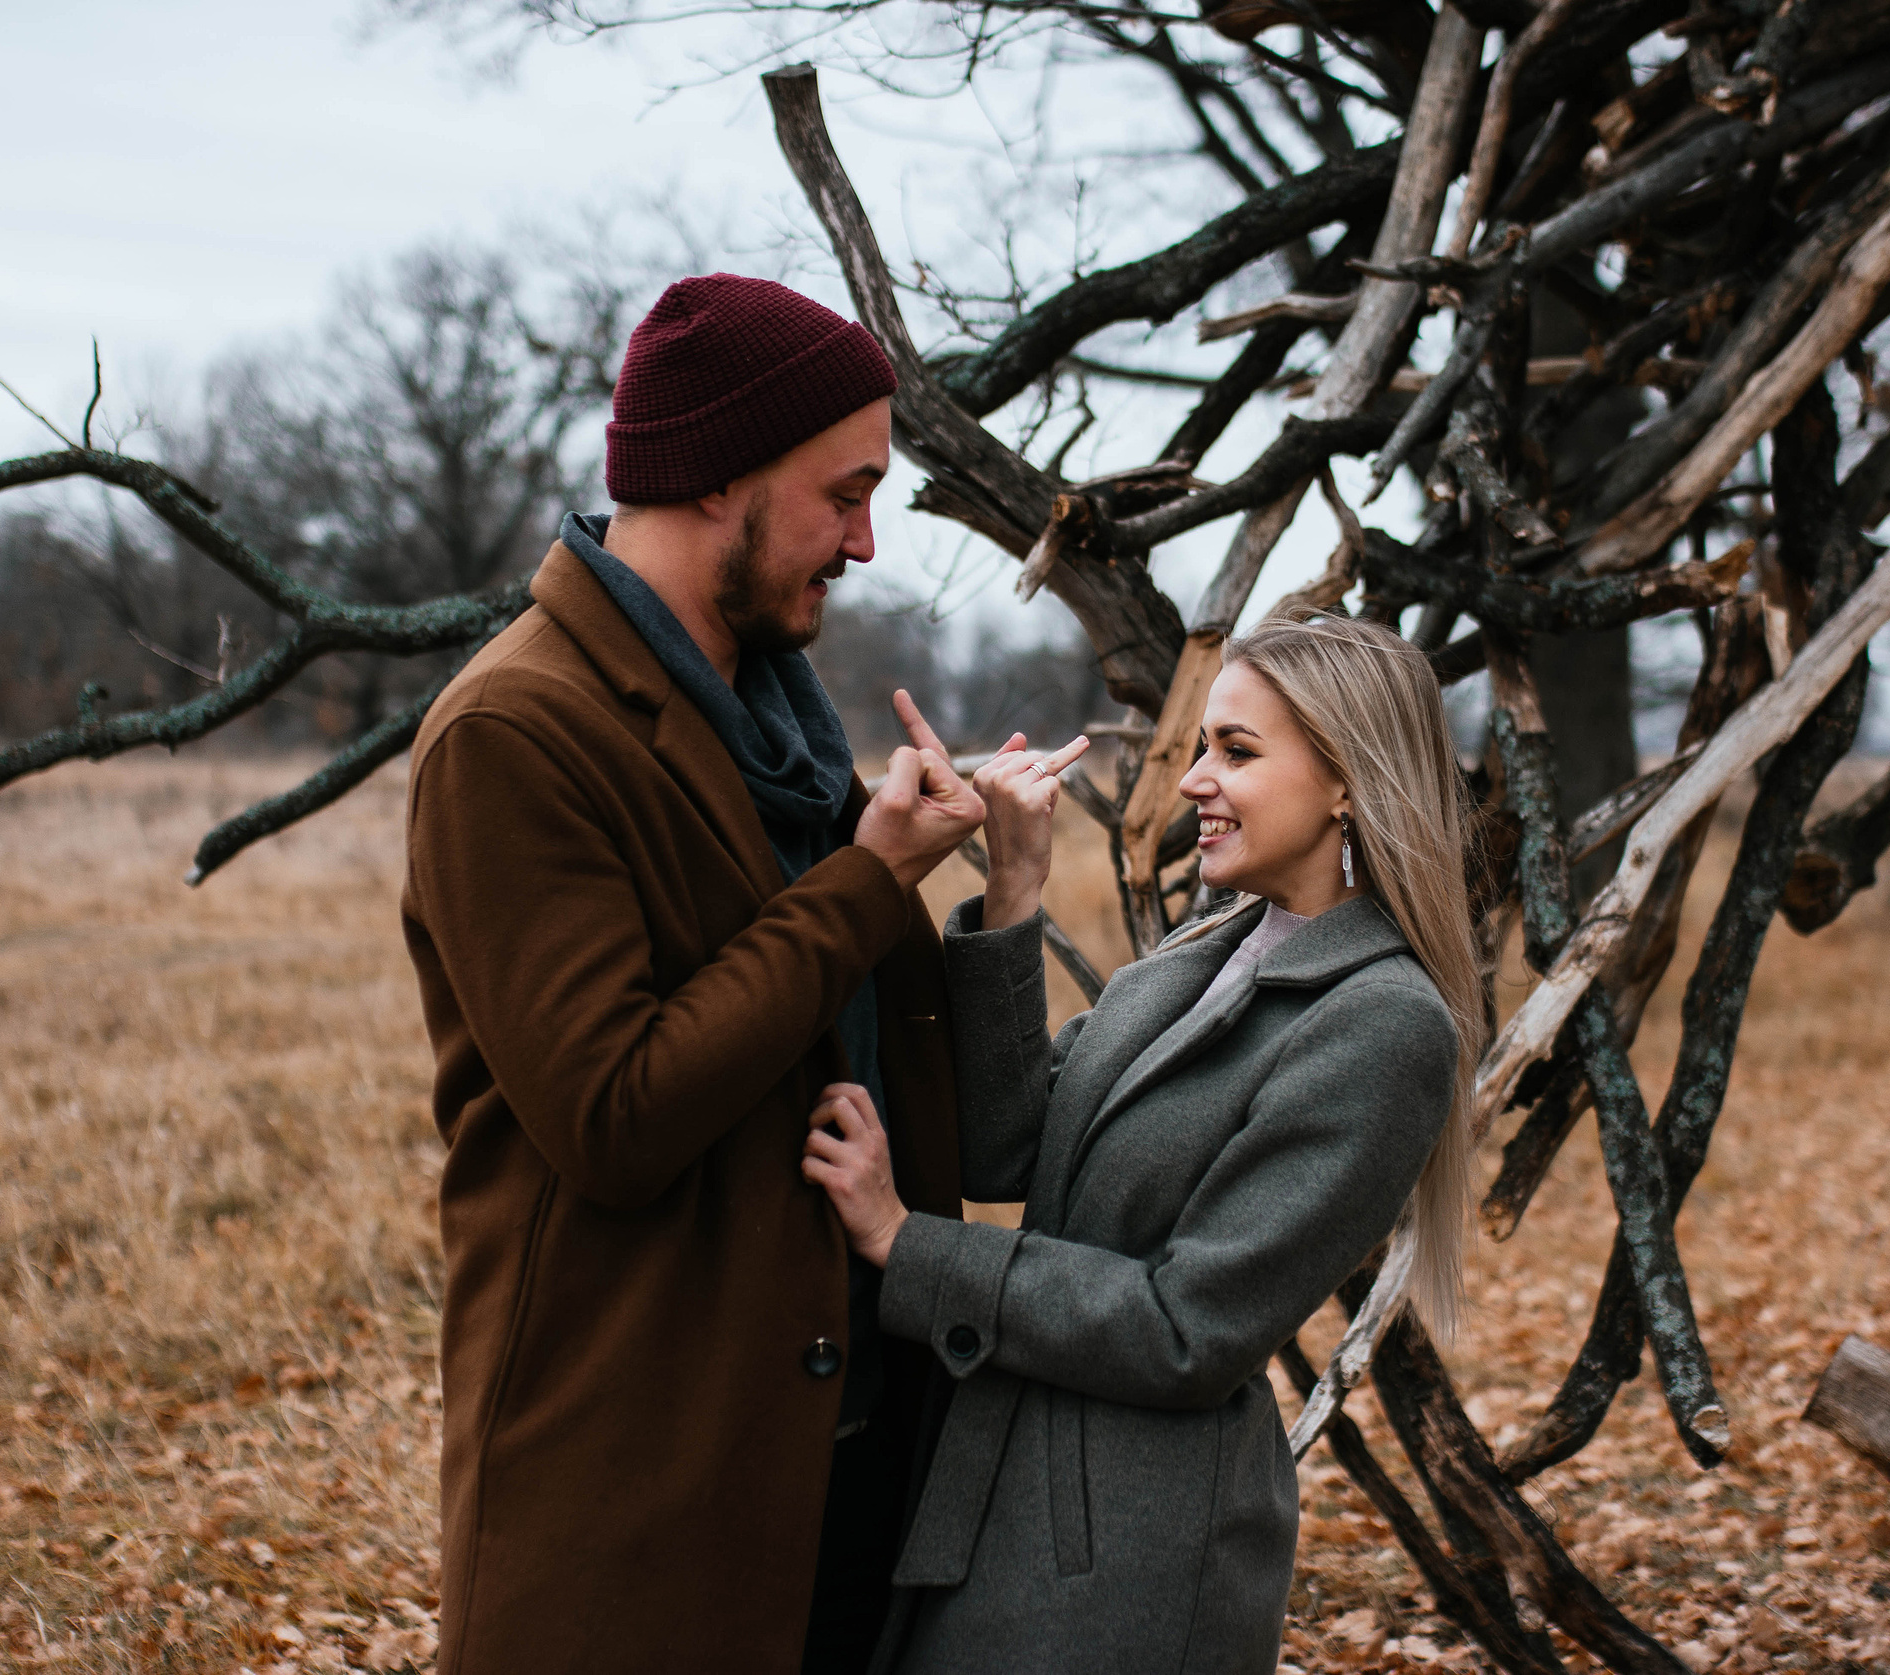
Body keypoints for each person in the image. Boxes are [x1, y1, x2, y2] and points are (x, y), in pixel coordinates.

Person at [401, 274, 991, 1675]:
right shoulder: (513, 732)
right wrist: (868, 878)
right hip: (641, 1499)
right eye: (845, 494)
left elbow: (870, 1061)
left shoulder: (775, 727)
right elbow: (615, 1112)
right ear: (722, 474)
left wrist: (996, 895)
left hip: (849, 1469)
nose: (864, 542)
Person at [802, 612, 1493, 1675]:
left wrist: (908, 1245)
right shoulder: (1203, 950)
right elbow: (1009, 1152)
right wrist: (1014, 887)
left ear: (1348, 783)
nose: (1194, 781)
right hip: (996, 1496)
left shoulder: (1384, 1022)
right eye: (1203, 745)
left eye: (1237, 751)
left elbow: (1189, 1329)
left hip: (1128, 1561)